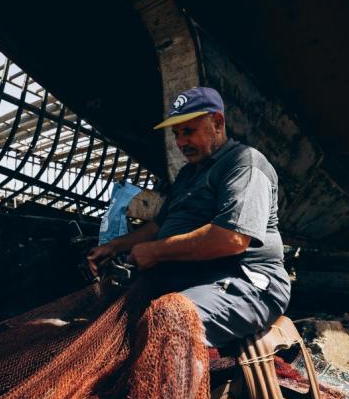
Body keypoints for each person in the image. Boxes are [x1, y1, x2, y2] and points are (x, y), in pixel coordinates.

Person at [87, 86, 291, 348]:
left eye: (189, 131)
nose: (181, 142)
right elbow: (158, 226)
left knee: (170, 321)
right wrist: (114, 246)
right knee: (109, 314)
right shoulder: (187, 175)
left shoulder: (243, 162)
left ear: (217, 123)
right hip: (194, 278)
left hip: (245, 281)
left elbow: (231, 238)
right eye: (176, 134)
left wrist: (154, 252)